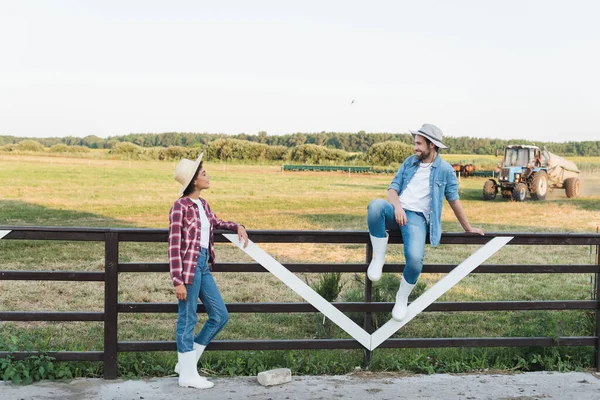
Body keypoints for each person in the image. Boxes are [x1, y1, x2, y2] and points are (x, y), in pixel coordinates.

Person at [366, 124, 484, 321]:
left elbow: (454, 200)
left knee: (414, 260)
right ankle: (378, 258)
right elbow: (392, 190)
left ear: (432, 145)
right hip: (398, 211)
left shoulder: (445, 171)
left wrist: (468, 228)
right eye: (415, 143)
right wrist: (397, 207)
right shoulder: (409, 162)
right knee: (375, 206)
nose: (415, 148)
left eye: (419, 144)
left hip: (417, 219)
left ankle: (402, 298)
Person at [169, 153, 248, 389]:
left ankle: (187, 364)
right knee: (188, 318)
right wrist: (177, 280)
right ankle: (187, 376)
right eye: (204, 173)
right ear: (194, 180)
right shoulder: (179, 207)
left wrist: (238, 226)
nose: (208, 176)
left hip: (203, 265)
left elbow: (217, 222)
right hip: (188, 267)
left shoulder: (203, 205)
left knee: (220, 315)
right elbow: (174, 245)